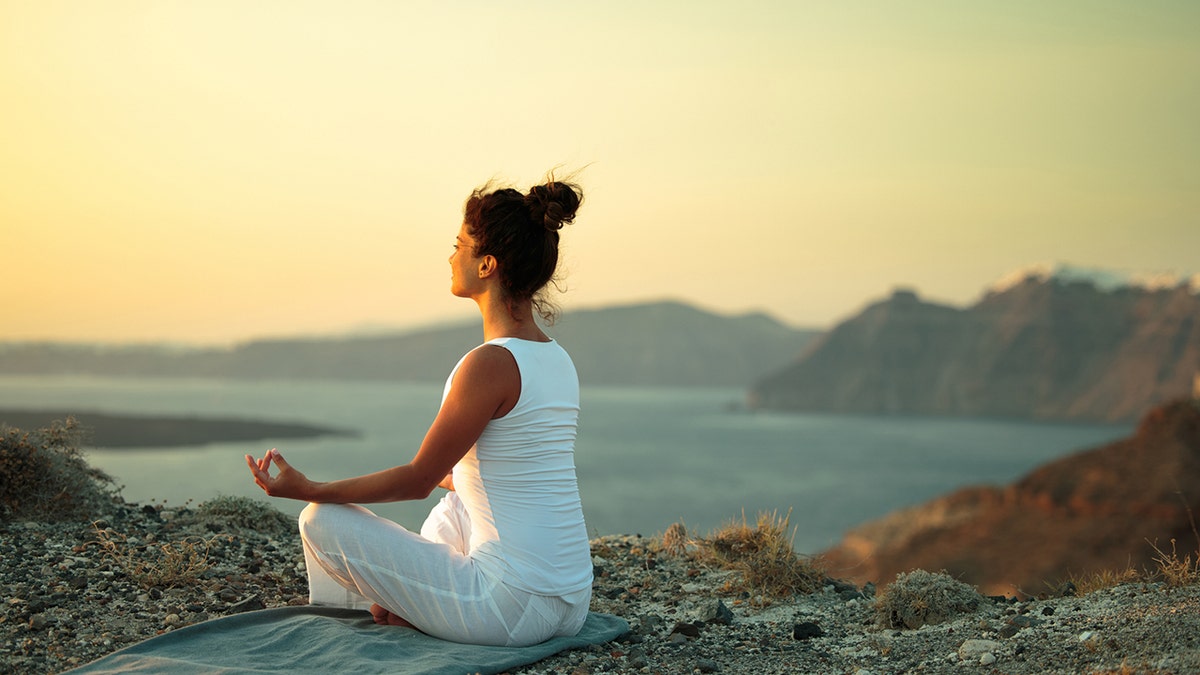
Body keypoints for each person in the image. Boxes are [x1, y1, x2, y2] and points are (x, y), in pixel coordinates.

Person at [245, 176, 592, 647]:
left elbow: (416, 481)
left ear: (487, 264)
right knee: (454, 503)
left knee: (318, 519)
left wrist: (307, 488)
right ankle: (408, 607)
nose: (451, 256)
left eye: (460, 245)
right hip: (570, 603)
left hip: (509, 610)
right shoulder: (556, 358)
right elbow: (509, 473)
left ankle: (356, 620)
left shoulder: (489, 364)